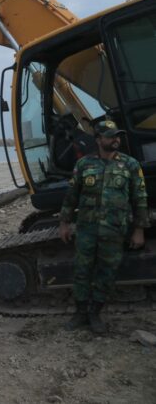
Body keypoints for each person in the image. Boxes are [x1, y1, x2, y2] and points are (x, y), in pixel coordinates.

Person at [59, 120, 149, 334]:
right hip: (87, 229)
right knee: (82, 271)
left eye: (117, 135)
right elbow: (71, 197)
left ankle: (95, 313)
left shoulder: (130, 165)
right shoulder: (84, 165)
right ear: (99, 139)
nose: (116, 139)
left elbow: (140, 199)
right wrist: (64, 223)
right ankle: (80, 313)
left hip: (114, 230)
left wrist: (139, 230)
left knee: (107, 273)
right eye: (110, 136)